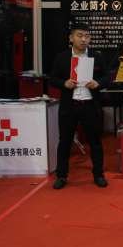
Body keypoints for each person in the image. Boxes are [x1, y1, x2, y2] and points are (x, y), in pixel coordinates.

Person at [50, 22, 110, 190]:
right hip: (69, 106)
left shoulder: (96, 56)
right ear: (71, 38)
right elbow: (52, 79)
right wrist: (64, 83)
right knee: (65, 141)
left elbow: (108, 77)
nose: (84, 39)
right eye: (80, 35)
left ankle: (98, 174)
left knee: (95, 142)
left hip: (90, 105)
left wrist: (98, 83)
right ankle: (61, 175)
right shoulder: (62, 57)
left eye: (87, 36)